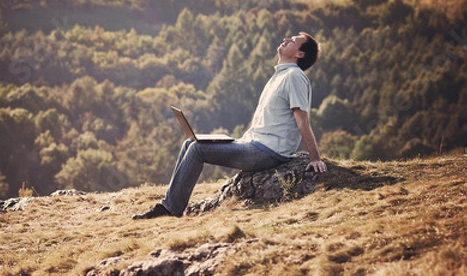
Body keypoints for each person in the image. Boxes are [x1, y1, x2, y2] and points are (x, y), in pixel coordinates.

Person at [133, 32, 327, 219]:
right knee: (189, 144)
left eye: (292, 40)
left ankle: (170, 209)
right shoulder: (280, 76)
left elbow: (303, 120)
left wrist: (315, 158)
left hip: (267, 151)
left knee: (197, 149)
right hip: (253, 143)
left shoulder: (294, 77)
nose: (286, 39)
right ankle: (169, 203)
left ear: (299, 54)